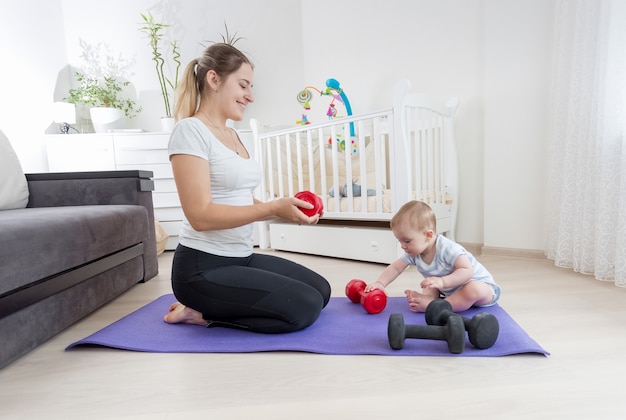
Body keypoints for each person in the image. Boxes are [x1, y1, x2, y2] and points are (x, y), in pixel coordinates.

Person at [163, 42, 331, 333]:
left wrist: (286, 209)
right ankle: (200, 312)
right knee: (304, 308)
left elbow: (243, 201)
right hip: (202, 268)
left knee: (322, 291)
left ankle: (211, 305)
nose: (250, 96)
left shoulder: (235, 135)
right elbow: (200, 216)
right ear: (214, 79)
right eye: (243, 86)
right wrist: (271, 208)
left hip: (240, 257)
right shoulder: (190, 131)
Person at [365, 200, 501, 312]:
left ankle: (437, 307)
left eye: (406, 241)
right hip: (451, 292)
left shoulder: (448, 248)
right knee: (430, 283)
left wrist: (442, 282)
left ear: (428, 236)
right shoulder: (415, 252)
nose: (402, 245)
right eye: (399, 241)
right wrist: (380, 283)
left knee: (473, 289)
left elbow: (467, 271)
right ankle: (431, 301)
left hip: (482, 290)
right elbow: (396, 268)